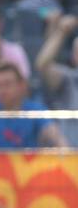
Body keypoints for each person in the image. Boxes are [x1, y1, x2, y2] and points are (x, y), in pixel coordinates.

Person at [0, 61, 67, 148]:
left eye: (7, 84)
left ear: (22, 85)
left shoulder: (36, 110)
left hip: (31, 164)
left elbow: (58, 140)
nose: (1, 90)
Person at [35, 13, 78, 147]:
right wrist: (61, 32)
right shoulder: (68, 79)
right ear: (73, 58)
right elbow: (43, 65)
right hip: (70, 159)